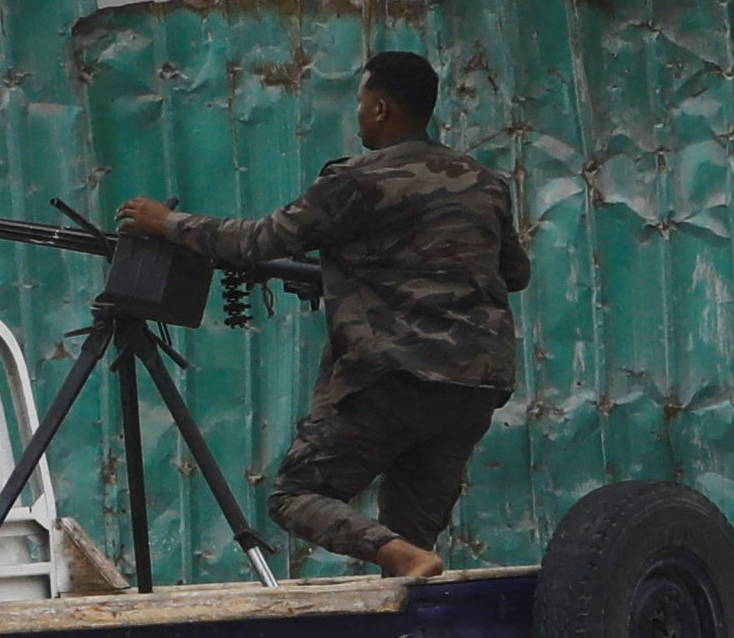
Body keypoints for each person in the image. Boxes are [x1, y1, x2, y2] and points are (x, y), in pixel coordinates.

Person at [115, 50, 527, 581]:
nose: (357, 115)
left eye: (360, 103)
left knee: (294, 494)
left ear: (379, 108)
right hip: (472, 385)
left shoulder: (358, 181)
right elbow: (514, 273)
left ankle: (395, 555)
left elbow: (258, 240)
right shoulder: (483, 182)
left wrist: (168, 223)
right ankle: (405, 572)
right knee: (415, 538)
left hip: (394, 378)